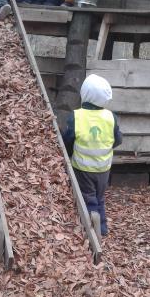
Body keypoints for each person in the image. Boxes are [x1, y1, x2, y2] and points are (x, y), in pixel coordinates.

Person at [62, 74, 122, 236]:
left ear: (84, 94)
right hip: (103, 169)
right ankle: (102, 228)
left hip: (83, 169)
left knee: (88, 199)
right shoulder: (111, 117)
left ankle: (91, 231)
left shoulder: (76, 116)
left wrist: (67, 155)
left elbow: (67, 140)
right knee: (99, 198)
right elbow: (117, 140)